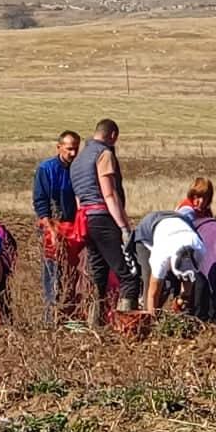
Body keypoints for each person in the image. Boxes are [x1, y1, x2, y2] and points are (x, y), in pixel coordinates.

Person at [69, 118, 138, 316]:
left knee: (98, 273)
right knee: (128, 275)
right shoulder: (104, 154)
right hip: (103, 218)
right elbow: (109, 194)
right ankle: (128, 325)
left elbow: (78, 200)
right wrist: (124, 227)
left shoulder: (78, 160)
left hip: (85, 220)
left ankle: (95, 321)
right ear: (113, 136)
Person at [32, 130, 83, 323]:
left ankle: (71, 313)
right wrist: (50, 228)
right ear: (59, 147)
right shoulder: (46, 169)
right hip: (51, 225)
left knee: (73, 272)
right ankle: (51, 317)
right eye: (69, 149)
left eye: (76, 149)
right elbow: (40, 201)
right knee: (52, 272)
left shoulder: (79, 169)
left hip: (74, 227)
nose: (73, 153)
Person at [131, 208, 201, 314]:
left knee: (170, 285)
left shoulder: (199, 249)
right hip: (148, 233)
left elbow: (190, 278)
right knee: (150, 281)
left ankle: (176, 314)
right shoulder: (161, 256)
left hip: (179, 221)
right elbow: (152, 293)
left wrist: (183, 298)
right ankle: (148, 323)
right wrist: (153, 321)